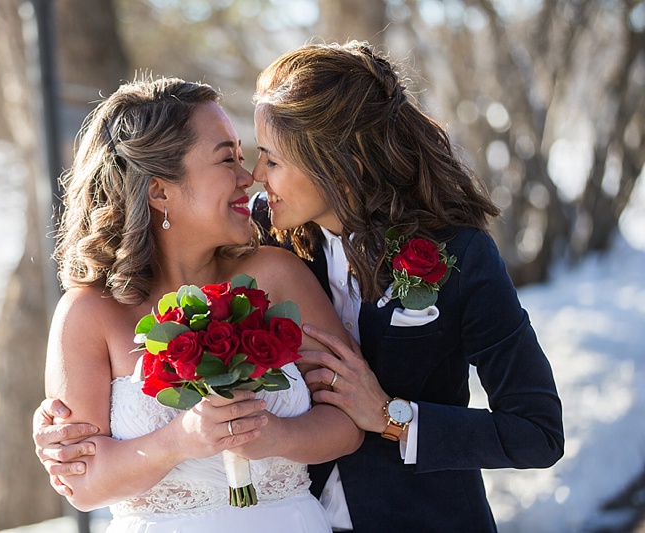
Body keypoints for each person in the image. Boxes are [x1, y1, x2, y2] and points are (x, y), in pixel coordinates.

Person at [35, 41, 564, 532]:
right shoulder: (258, 231)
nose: (255, 176)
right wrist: (58, 430)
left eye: (271, 158)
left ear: (341, 167)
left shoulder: (455, 256)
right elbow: (91, 448)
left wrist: (392, 418)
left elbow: (537, 432)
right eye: (241, 157)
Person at [39, 74, 362, 533]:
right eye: (227, 159)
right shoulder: (89, 313)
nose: (248, 178)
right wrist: (182, 440)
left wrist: (276, 435)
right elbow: (83, 481)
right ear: (159, 191)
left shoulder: (278, 276)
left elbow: (349, 424)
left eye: (243, 157)